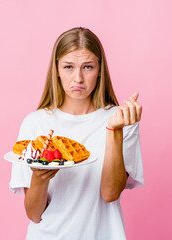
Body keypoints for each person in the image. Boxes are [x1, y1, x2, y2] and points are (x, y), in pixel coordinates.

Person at [9, 27, 144, 240]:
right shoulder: (35, 123)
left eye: (88, 67)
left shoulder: (120, 119)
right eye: (69, 67)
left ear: (100, 70)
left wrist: (114, 130)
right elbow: (34, 215)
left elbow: (110, 194)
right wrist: (39, 177)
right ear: (57, 70)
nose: (78, 78)